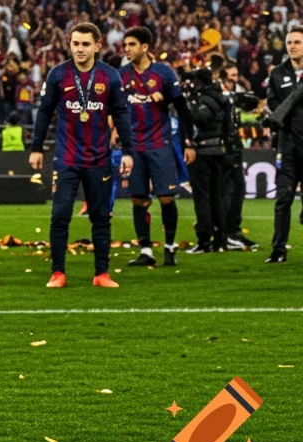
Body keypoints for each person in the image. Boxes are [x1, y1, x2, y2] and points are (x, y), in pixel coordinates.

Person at [29, 22, 134, 288]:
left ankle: (101, 274)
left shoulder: (109, 76)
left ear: (97, 45)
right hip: (67, 158)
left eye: (85, 44)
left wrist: (129, 151)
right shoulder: (58, 74)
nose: (79, 49)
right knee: (60, 214)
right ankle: (58, 273)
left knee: (100, 216)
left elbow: (121, 114)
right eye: (75, 43)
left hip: (99, 158)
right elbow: (44, 112)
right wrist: (36, 147)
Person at [119, 27, 196, 269]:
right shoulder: (121, 75)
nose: (127, 49)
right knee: (138, 200)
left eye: (131, 44)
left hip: (159, 143)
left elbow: (182, 108)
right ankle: (145, 251)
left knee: (165, 197)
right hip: (134, 147)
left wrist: (189, 140)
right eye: (125, 45)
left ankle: (170, 247)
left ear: (144, 47)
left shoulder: (163, 73)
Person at [263, 25, 303, 263]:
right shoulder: (278, 73)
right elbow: (273, 103)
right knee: (283, 198)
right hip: (288, 144)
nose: (293, 46)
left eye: (297, 42)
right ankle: (278, 250)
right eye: (290, 42)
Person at [183, 65, 233, 254]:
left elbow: (199, 118)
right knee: (216, 196)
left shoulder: (204, 99)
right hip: (218, 149)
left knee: (202, 197)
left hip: (203, 152)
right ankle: (220, 238)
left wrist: (188, 103)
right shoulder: (221, 97)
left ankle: (204, 240)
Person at [219, 61, 259, 251]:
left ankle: (234, 232)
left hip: (235, 146)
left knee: (238, 189)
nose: (234, 79)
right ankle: (226, 232)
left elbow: (245, 113)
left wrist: (256, 120)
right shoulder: (219, 94)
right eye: (231, 76)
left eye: (236, 75)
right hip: (223, 149)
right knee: (228, 190)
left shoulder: (238, 92)